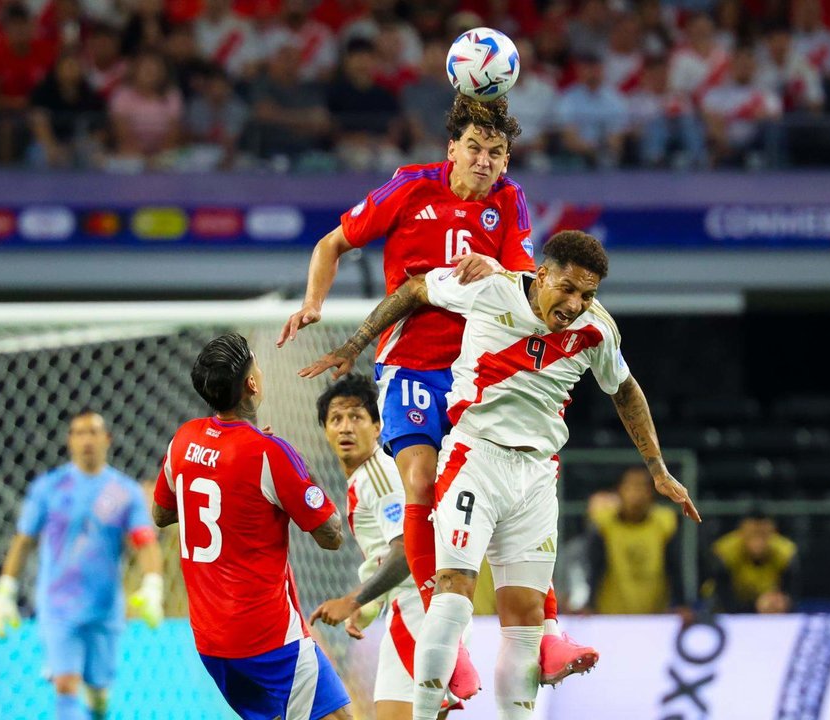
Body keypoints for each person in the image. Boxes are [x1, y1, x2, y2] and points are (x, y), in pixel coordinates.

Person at [300, 230, 701, 720]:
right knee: (452, 599)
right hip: (476, 460)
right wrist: (356, 342)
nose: (576, 304)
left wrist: (656, 468)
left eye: (588, 295)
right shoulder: (490, 288)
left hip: (536, 477)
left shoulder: (597, 330)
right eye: (568, 289)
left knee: (526, 621)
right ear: (543, 273)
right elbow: (415, 289)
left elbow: (626, 390)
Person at [277, 93, 595, 692]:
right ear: (452, 149)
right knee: (419, 481)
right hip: (412, 366)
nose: (483, 161)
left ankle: (546, 630)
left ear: (506, 161)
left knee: (513, 493)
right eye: (473, 148)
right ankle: (443, 642)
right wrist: (314, 305)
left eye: (495, 153)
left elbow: (530, 283)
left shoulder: (510, 200)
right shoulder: (410, 187)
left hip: (480, 373)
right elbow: (330, 245)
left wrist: (494, 269)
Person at [151, 333, 351, 720]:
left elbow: (161, 514)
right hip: (269, 641)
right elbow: (332, 535)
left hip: (212, 644)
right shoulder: (269, 453)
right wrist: (297, 468)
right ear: (252, 384)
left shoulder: (183, 440)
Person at [0, 411, 165, 720]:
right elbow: (23, 540)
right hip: (58, 608)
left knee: (98, 694)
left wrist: (153, 585)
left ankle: (98, 708)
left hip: (105, 609)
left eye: (93, 432)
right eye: (79, 433)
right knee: (66, 687)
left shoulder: (123, 492)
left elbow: (144, 541)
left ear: (107, 439)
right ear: (70, 440)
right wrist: (5, 592)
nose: (86, 439)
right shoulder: (49, 488)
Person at [308, 374, 455, 719]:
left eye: (356, 417)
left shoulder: (379, 475)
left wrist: (353, 600)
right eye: (336, 419)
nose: (346, 428)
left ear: (377, 426)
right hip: (422, 606)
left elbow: (407, 551)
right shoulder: (367, 476)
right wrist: (370, 604)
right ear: (326, 430)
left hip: (419, 608)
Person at [584, 466, 682, 614]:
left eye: (642, 486)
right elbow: (595, 568)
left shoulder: (665, 523)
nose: (637, 493)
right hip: (610, 614)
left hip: (656, 615)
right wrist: (590, 605)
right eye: (630, 486)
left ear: (651, 492)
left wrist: (681, 603)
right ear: (619, 491)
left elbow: (674, 567)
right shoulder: (604, 524)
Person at [706, 508, 798, 614]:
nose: (758, 541)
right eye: (752, 534)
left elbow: (791, 595)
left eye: (763, 535)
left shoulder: (785, 553)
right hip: (731, 603)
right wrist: (755, 607)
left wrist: (782, 602)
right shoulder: (725, 552)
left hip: (769, 605)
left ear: (773, 534)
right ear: (741, 533)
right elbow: (723, 597)